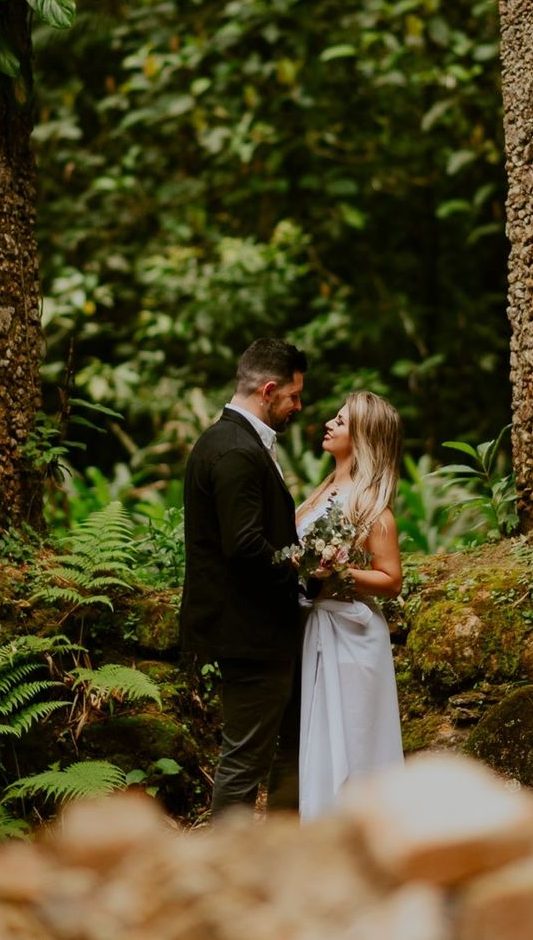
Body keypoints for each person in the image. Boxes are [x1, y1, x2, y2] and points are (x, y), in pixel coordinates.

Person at [179, 337, 309, 817]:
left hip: (262, 631)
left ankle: (276, 853)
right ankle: (223, 866)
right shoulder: (234, 450)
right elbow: (245, 546)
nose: (298, 406)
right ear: (269, 389)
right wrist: (305, 562)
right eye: (294, 396)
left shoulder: (235, 441)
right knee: (244, 760)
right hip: (249, 634)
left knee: (288, 749)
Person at [293, 390, 405, 820]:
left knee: (357, 739)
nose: (328, 424)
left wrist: (339, 571)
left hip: (354, 634)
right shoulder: (320, 493)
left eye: (340, 422)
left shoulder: (371, 504)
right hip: (316, 627)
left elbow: (391, 580)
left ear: (363, 436)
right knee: (320, 736)